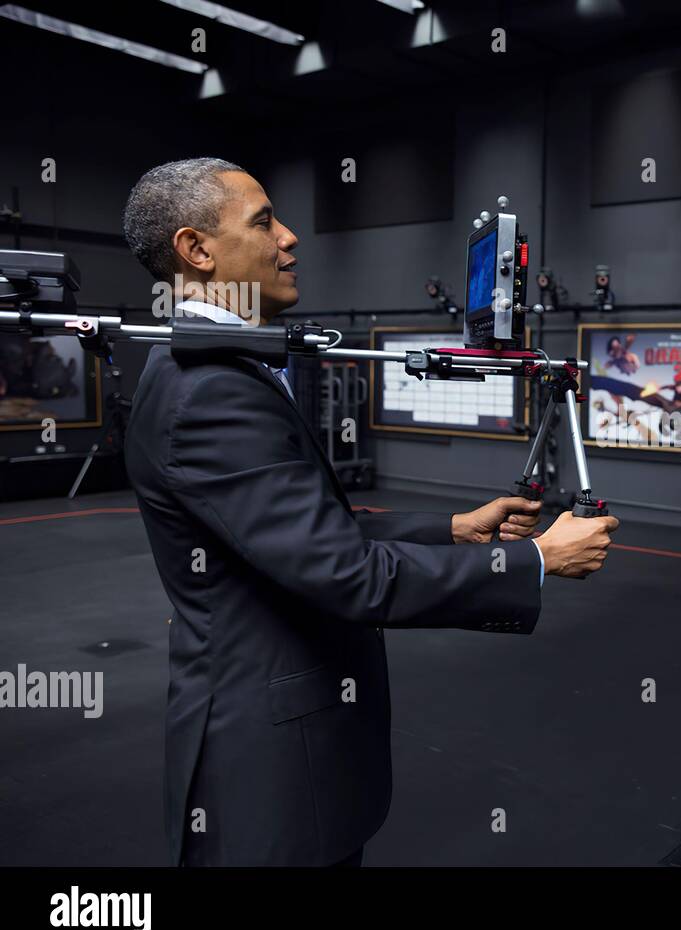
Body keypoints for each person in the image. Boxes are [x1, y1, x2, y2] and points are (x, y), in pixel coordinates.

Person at [121, 157, 619, 866]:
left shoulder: (213, 374)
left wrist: (455, 531)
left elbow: (307, 535)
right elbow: (347, 574)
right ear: (198, 251)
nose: (290, 237)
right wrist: (537, 558)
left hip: (278, 752)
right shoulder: (211, 393)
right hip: (267, 769)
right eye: (264, 221)